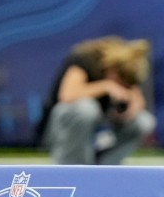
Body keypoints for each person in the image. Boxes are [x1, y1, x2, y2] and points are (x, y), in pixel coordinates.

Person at [36, 36, 156, 165]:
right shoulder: (85, 60)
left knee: (144, 121)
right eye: (120, 83)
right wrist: (105, 86)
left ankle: (107, 166)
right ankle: (74, 167)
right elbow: (67, 95)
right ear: (113, 69)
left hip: (100, 130)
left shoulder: (126, 74)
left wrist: (125, 112)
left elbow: (138, 104)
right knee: (86, 108)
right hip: (60, 128)